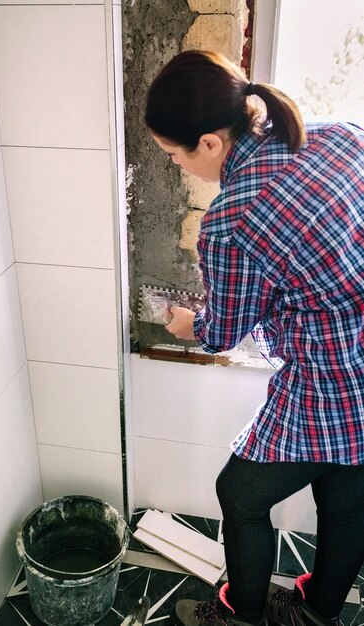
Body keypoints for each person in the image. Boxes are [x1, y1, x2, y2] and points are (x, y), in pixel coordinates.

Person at [144, 50, 364, 626]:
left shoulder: (232, 220)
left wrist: (186, 323)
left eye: (173, 154)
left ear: (210, 143)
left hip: (333, 380)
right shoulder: (342, 133)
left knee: (240, 496)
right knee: (347, 500)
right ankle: (318, 613)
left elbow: (221, 331)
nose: (176, 166)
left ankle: (242, 617)